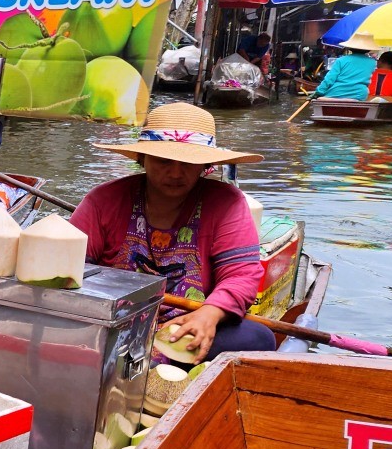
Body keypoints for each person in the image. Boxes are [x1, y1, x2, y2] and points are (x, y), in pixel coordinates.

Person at [70, 102, 274, 365]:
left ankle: (154, 364)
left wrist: (209, 314)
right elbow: (71, 268)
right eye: (164, 161)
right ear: (142, 159)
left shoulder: (227, 203)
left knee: (258, 338)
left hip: (186, 327)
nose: (175, 173)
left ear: (206, 166)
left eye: (188, 163)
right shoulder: (105, 199)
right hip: (112, 321)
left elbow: (241, 276)